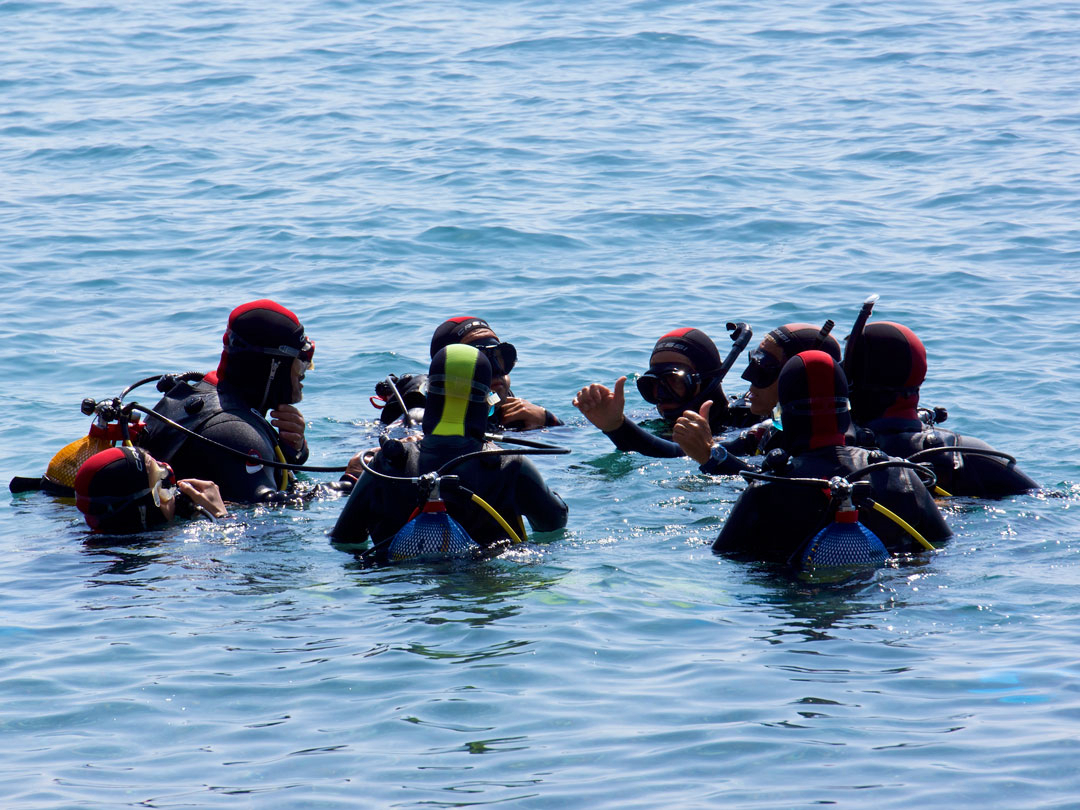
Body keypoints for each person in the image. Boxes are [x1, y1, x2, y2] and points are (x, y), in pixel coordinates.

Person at [332, 344, 568, 563]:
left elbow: (344, 539)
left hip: (404, 596)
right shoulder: (510, 466)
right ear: (487, 403)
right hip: (485, 586)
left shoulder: (388, 463)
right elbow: (554, 524)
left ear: (429, 397)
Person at [713, 350, 951, 563]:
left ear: (784, 415)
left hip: (792, 601)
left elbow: (724, 557)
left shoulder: (766, 488)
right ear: (847, 409)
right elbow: (942, 545)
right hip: (877, 600)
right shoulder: (900, 474)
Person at [136, 300, 314, 503]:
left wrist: (293, 450)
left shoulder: (194, 396)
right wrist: (348, 482)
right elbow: (265, 513)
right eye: (302, 361)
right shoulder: (235, 433)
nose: (305, 371)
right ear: (274, 366)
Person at [846, 321, 1038, 497]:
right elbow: (1042, 501)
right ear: (920, 376)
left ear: (850, 381)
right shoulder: (968, 454)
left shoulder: (840, 457)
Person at [573, 328, 756, 468]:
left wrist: (617, 428)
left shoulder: (748, 426)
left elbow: (682, 453)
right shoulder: (650, 421)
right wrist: (548, 420)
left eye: (674, 381)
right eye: (652, 384)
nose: (660, 394)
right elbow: (572, 433)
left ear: (707, 380)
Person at [375, 317, 562, 431]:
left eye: (500, 357)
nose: (496, 371)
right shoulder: (422, 408)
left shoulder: (511, 412)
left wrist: (547, 419)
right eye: (482, 360)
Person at [74, 446, 227, 534]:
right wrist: (221, 519)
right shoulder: (170, 564)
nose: (176, 493)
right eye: (162, 489)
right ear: (141, 513)